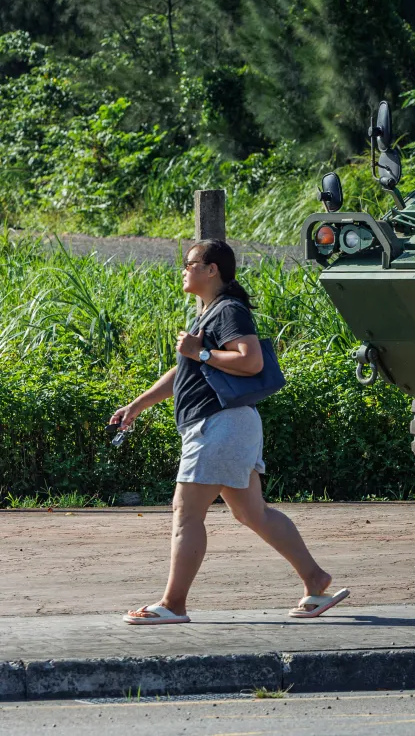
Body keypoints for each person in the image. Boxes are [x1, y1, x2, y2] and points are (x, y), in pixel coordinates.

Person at [109, 239, 348, 625]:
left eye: (189, 264)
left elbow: (250, 362)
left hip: (219, 424)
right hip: (230, 423)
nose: (183, 270)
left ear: (212, 269)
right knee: (253, 513)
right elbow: (184, 371)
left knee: (187, 513)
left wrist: (200, 352)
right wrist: (137, 405)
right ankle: (315, 580)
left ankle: (173, 604)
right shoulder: (207, 313)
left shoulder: (228, 310)